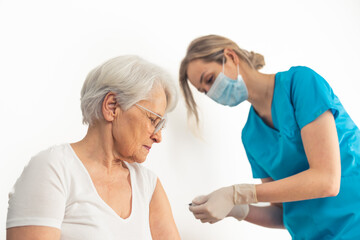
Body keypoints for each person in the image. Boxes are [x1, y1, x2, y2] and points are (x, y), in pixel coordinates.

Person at [180, 35, 360, 239]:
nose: (212, 92)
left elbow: (327, 180)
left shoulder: (300, 83)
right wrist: (237, 209)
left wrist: (237, 193)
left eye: (210, 79)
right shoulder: (251, 135)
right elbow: (282, 212)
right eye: (204, 91)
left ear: (230, 56)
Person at [7, 55, 181, 240]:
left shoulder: (147, 184)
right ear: (112, 106)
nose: (158, 136)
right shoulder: (53, 169)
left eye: (160, 125)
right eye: (153, 120)